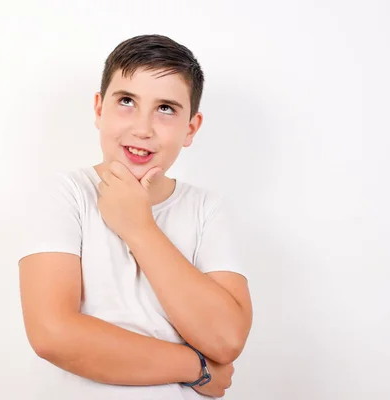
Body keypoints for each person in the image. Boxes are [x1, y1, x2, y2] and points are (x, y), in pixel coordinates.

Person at [18, 34, 253, 399]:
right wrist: (198, 368)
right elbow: (53, 334)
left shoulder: (206, 209)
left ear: (191, 127)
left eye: (166, 109)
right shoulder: (66, 194)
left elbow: (225, 339)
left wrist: (138, 227)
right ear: (99, 110)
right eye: (127, 101)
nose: (143, 129)